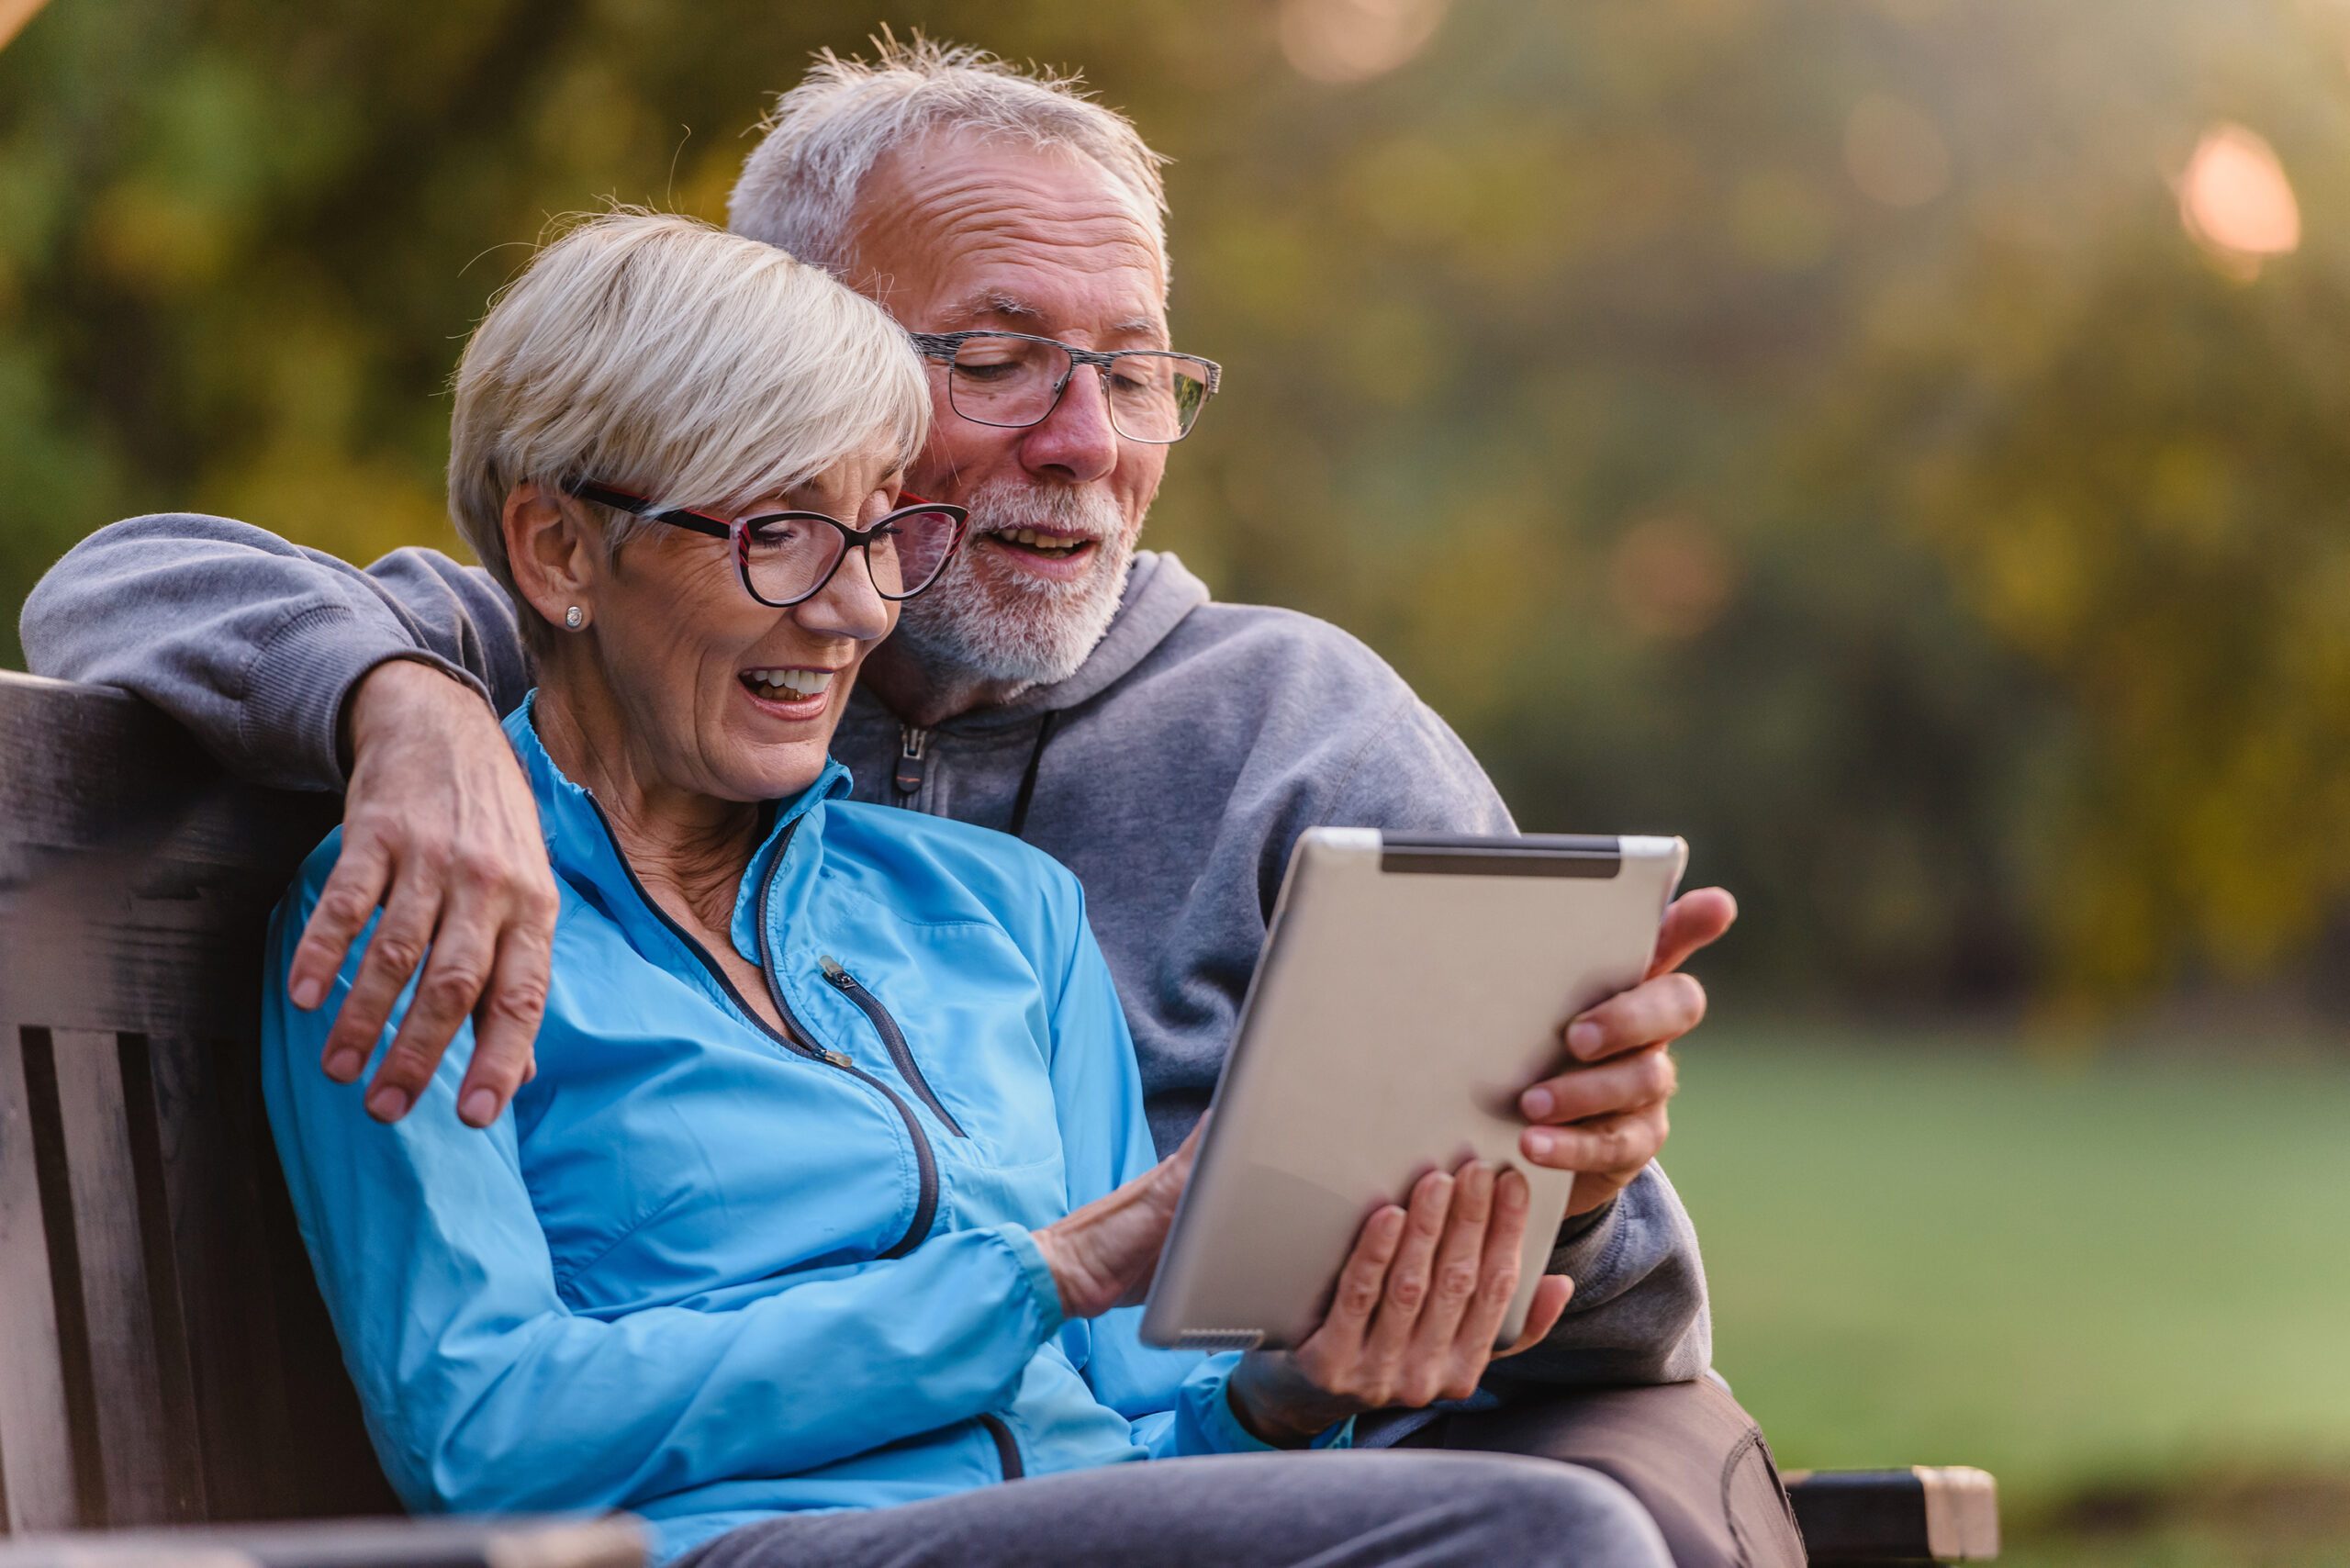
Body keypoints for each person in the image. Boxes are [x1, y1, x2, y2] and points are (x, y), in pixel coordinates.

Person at [23, 40, 1802, 1568]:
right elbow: (492, 1423)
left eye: (1128, 369)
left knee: (1568, 1515)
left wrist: (1500, 1218)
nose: (1081, 438)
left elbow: (1140, 1415)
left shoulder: (1046, 866)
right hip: (742, 1528)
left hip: (1302, 1462)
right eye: (998, 357)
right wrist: (399, 712)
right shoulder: (478, 789)